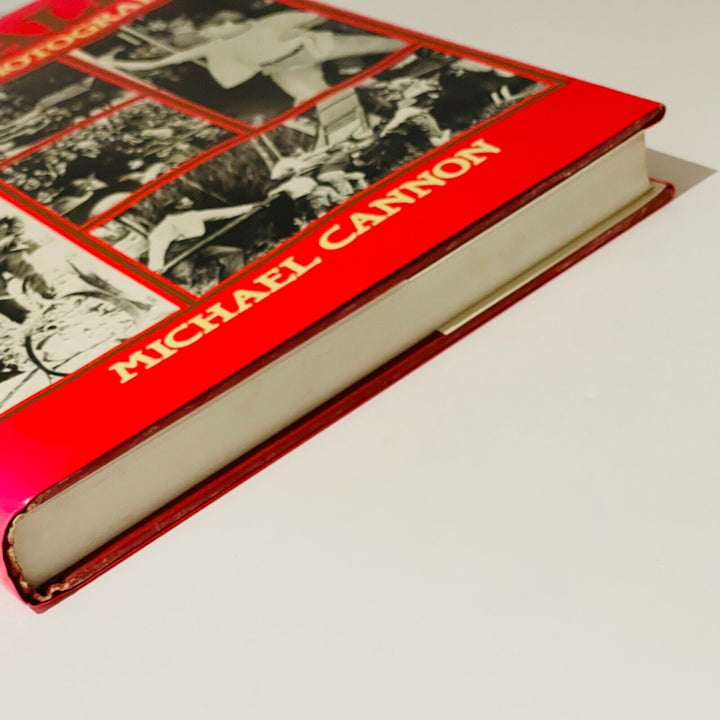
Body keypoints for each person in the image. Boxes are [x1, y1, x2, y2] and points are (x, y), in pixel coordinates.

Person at [106, 9, 402, 105]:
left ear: (227, 21)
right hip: (285, 69)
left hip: (314, 46)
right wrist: (116, 63)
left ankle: (404, 59)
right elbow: (164, 62)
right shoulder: (213, 47)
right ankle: (381, 101)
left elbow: (317, 13)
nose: (213, 31)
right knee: (321, 100)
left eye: (217, 25)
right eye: (208, 30)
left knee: (391, 44)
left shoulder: (266, 23)